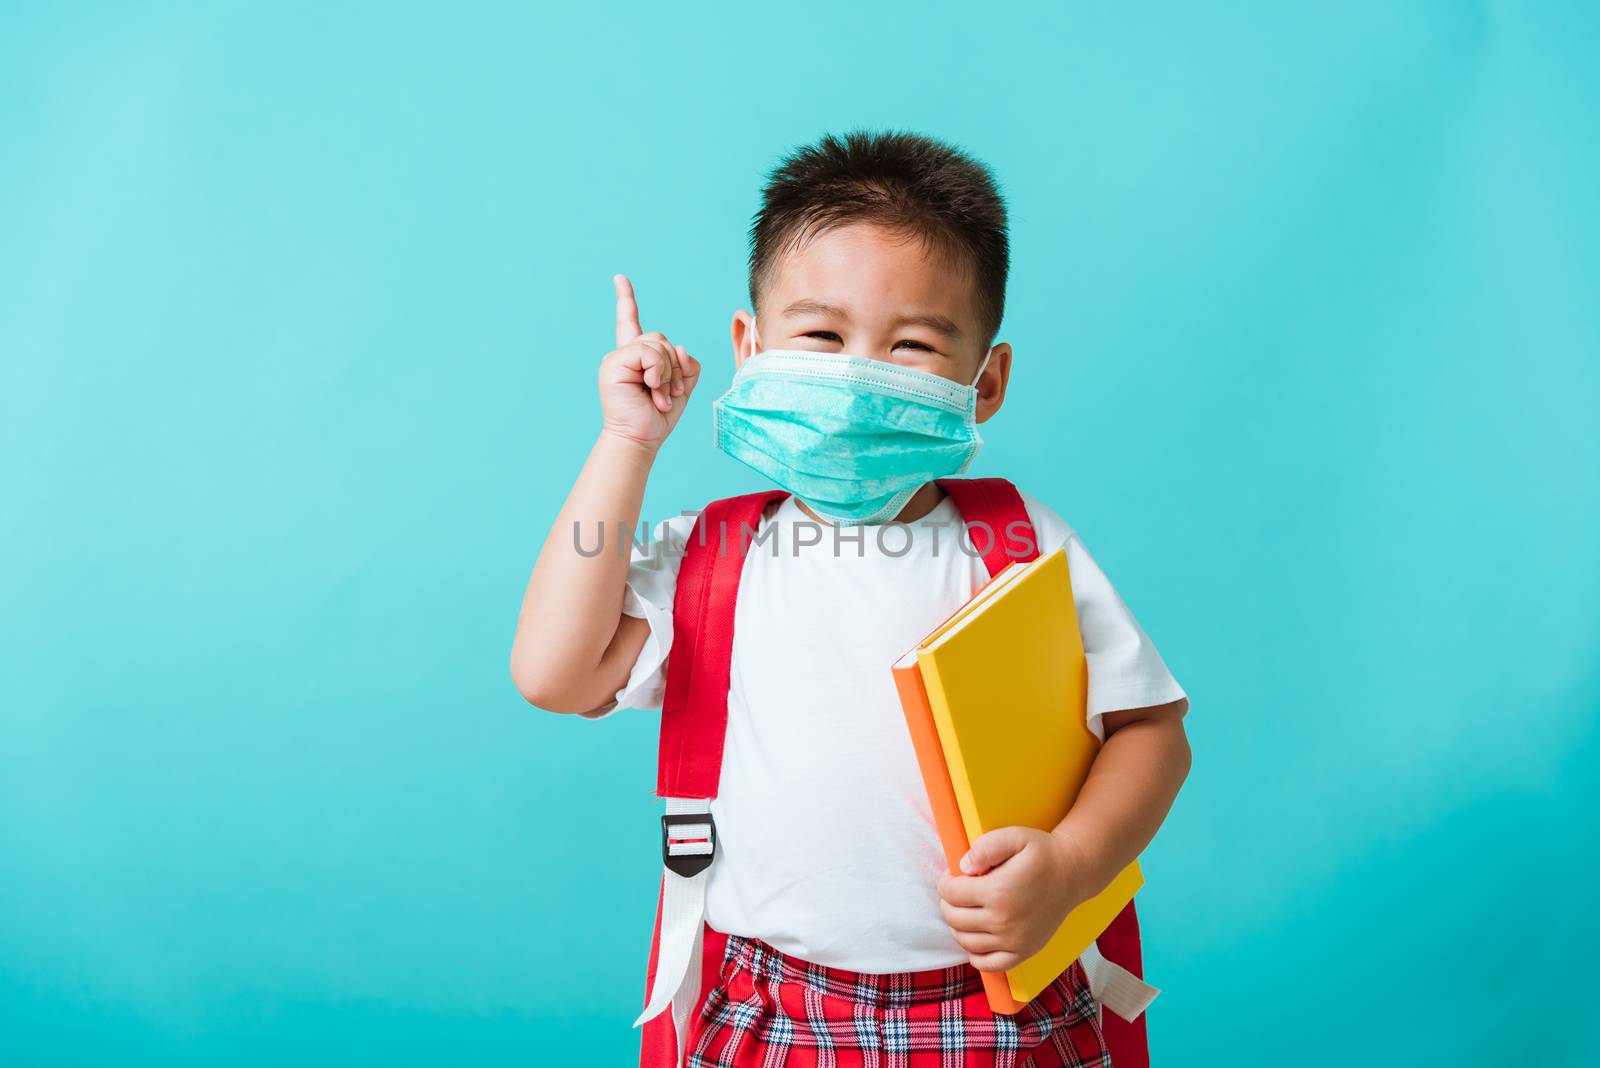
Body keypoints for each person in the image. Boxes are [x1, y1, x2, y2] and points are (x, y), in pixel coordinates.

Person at [510, 128, 1192, 1067]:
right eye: (821, 335)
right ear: (750, 347)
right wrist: (628, 443)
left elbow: (1152, 732)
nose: (858, 374)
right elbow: (554, 672)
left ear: (984, 383)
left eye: (912, 344)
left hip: (995, 1011)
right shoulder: (716, 555)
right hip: (769, 1007)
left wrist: (1073, 866)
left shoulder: (1022, 544)